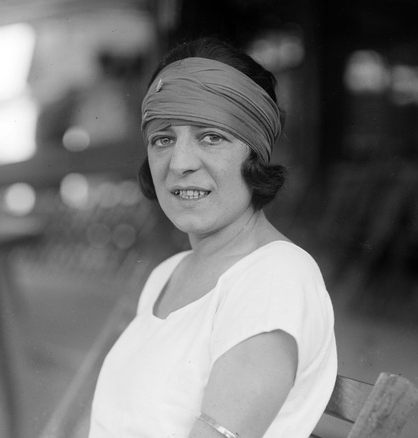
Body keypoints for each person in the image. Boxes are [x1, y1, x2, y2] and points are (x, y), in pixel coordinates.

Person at [88, 37, 338, 438]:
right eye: (163, 139)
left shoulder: (276, 277)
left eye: (211, 136)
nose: (180, 163)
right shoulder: (166, 275)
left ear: (254, 153)